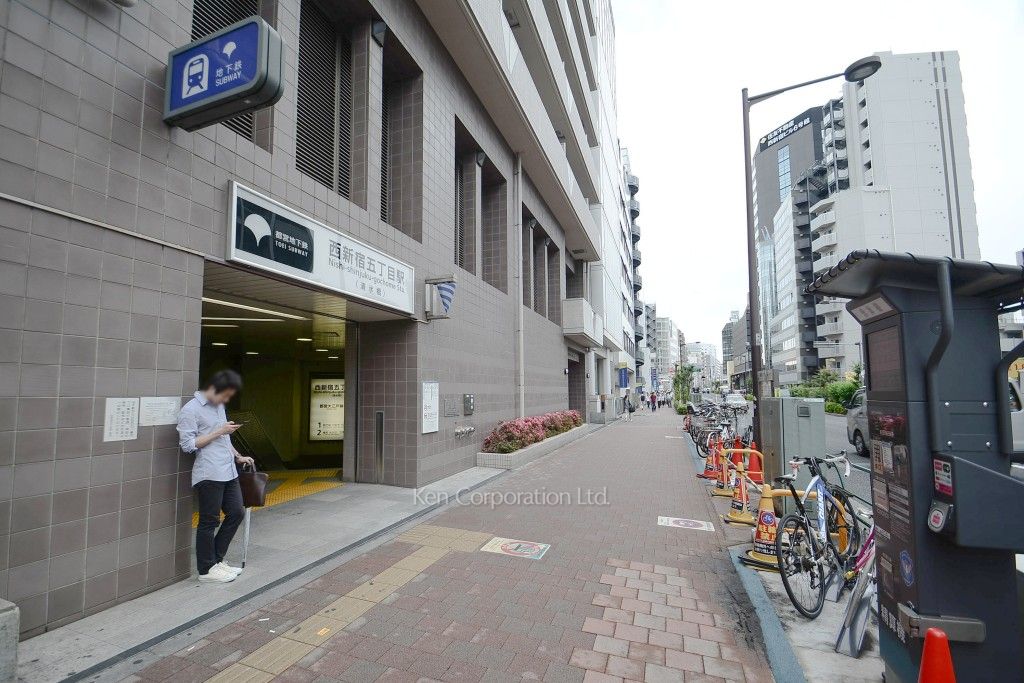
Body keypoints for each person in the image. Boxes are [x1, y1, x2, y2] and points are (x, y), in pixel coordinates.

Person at [177, 370, 255, 584]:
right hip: (209, 473)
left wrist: (238, 456)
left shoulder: (218, 407)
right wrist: (219, 431)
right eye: (225, 395)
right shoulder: (190, 410)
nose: (226, 400)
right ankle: (205, 570)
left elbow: (225, 441)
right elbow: (188, 446)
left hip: (228, 469)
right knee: (209, 521)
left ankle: (216, 561)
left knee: (236, 512)